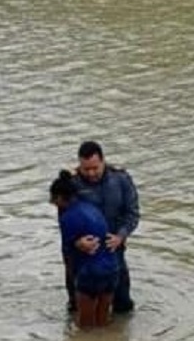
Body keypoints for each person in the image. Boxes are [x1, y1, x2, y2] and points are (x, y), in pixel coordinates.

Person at [70, 141, 139, 314]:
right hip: (84, 255)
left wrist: (120, 236)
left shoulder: (121, 180)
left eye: (95, 168)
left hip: (114, 249)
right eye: (86, 169)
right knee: (78, 309)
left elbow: (132, 213)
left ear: (103, 161)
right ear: (79, 165)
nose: (91, 173)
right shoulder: (72, 184)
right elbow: (65, 220)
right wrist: (77, 242)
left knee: (123, 307)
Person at [50, 170, 119, 328]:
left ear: (59, 197)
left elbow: (70, 253)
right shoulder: (91, 208)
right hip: (112, 268)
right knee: (103, 323)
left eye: (53, 199)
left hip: (90, 273)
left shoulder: (68, 217)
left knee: (85, 327)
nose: (53, 203)